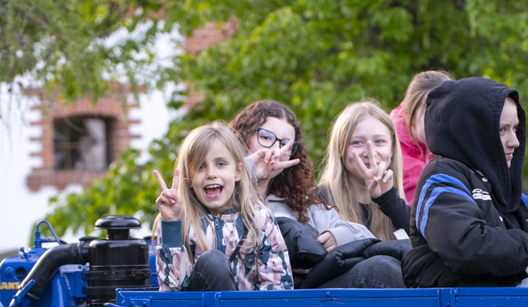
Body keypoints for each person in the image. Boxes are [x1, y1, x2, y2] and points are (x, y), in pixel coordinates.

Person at [403, 75, 528, 288]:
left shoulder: (495, 185)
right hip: (472, 302)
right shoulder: (441, 177)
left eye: (515, 128)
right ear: (471, 132)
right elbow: (465, 244)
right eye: (502, 130)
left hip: (508, 295)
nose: (515, 141)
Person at [153, 122, 292, 292]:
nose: (211, 174)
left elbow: (277, 288)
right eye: (200, 167)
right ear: (189, 178)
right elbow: (171, 290)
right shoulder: (178, 221)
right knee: (213, 261)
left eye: (220, 164)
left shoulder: (260, 219)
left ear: (238, 171)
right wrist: (171, 225)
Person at [298, 100, 410, 288]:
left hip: (391, 301)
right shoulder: (316, 202)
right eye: (357, 142)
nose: (370, 152)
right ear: (341, 150)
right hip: (335, 300)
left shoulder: (399, 205)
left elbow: (426, 248)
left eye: (379, 142)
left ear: (391, 149)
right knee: (379, 268)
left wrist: (388, 199)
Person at [228, 99, 318, 224]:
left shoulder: (301, 203)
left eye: (285, 145)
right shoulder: (217, 190)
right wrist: (248, 171)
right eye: (266, 137)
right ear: (243, 137)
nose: (276, 150)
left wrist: (334, 233)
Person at [391, 70, 453, 202]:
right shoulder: (392, 152)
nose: (440, 122)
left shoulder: (455, 146)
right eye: (431, 114)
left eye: (447, 113)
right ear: (410, 117)